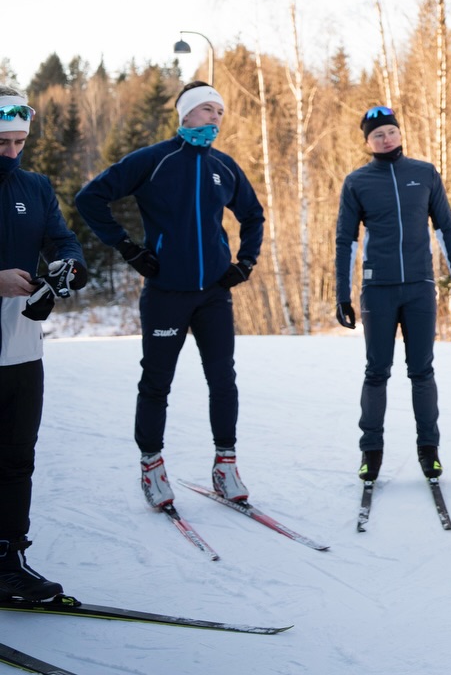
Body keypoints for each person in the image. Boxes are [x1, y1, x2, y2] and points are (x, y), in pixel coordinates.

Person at [75, 81, 264, 510]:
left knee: (223, 380)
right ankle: (152, 465)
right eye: (208, 109)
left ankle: (226, 464)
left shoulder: (224, 166)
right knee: (157, 382)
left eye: (220, 111)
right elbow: (91, 198)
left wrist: (245, 263)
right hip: (166, 294)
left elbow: (253, 215)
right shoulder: (154, 160)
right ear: (186, 114)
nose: (216, 117)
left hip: (213, 294)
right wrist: (128, 249)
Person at [334, 105, 451, 486]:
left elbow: (445, 227)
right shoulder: (357, 182)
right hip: (378, 290)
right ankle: (370, 453)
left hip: (419, 288)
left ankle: (429, 450)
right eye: (378, 135)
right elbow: (345, 240)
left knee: (422, 371)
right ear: (368, 142)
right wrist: (342, 294)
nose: (386, 138)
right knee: (376, 372)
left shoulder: (424, 174)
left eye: (391, 131)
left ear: (399, 133)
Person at [0, 89, 88, 601]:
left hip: (21, 346)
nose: (12, 153)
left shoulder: (34, 186)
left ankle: (6, 561)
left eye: (20, 142)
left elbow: (64, 241)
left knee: (16, 459)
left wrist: (68, 268)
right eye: (2, 143)